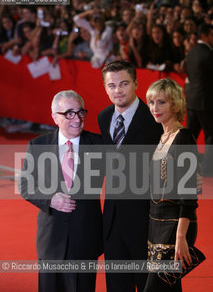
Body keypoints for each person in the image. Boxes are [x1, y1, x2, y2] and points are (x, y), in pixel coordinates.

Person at [19, 90, 103, 292]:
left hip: (85, 238)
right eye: (69, 113)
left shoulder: (99, 144)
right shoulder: (38, 145)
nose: (77, 118)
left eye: (80, 112)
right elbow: (26, 186)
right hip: (51, 240)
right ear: (55, 117)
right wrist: (50, 199)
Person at [98, 60, 163, 292]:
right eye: (112, 85)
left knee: (148, 285)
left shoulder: (154, 119)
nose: (118, 90)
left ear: (136, 83)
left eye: (124, 84)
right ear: (105, 88)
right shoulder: (104, 117)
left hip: (145, 223)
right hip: (113, 222)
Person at [144, 78, 198, 291]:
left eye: (161, 102)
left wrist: (181, 237)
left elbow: (188, 193)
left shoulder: (183, 137)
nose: (154, 108)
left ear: (175, 104)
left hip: (175, 225)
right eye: (151, 102)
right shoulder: (164, 137)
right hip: (155, 222)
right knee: (169, 287)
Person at [186, 23, 213, 176]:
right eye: (211, 34)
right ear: (204, 35)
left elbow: (190, 76)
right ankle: (209, 170)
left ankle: (184, 165)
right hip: (206, 103)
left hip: (192, 101)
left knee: (190, 136)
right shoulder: (209, 54)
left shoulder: (191, 52)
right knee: (210, 136)